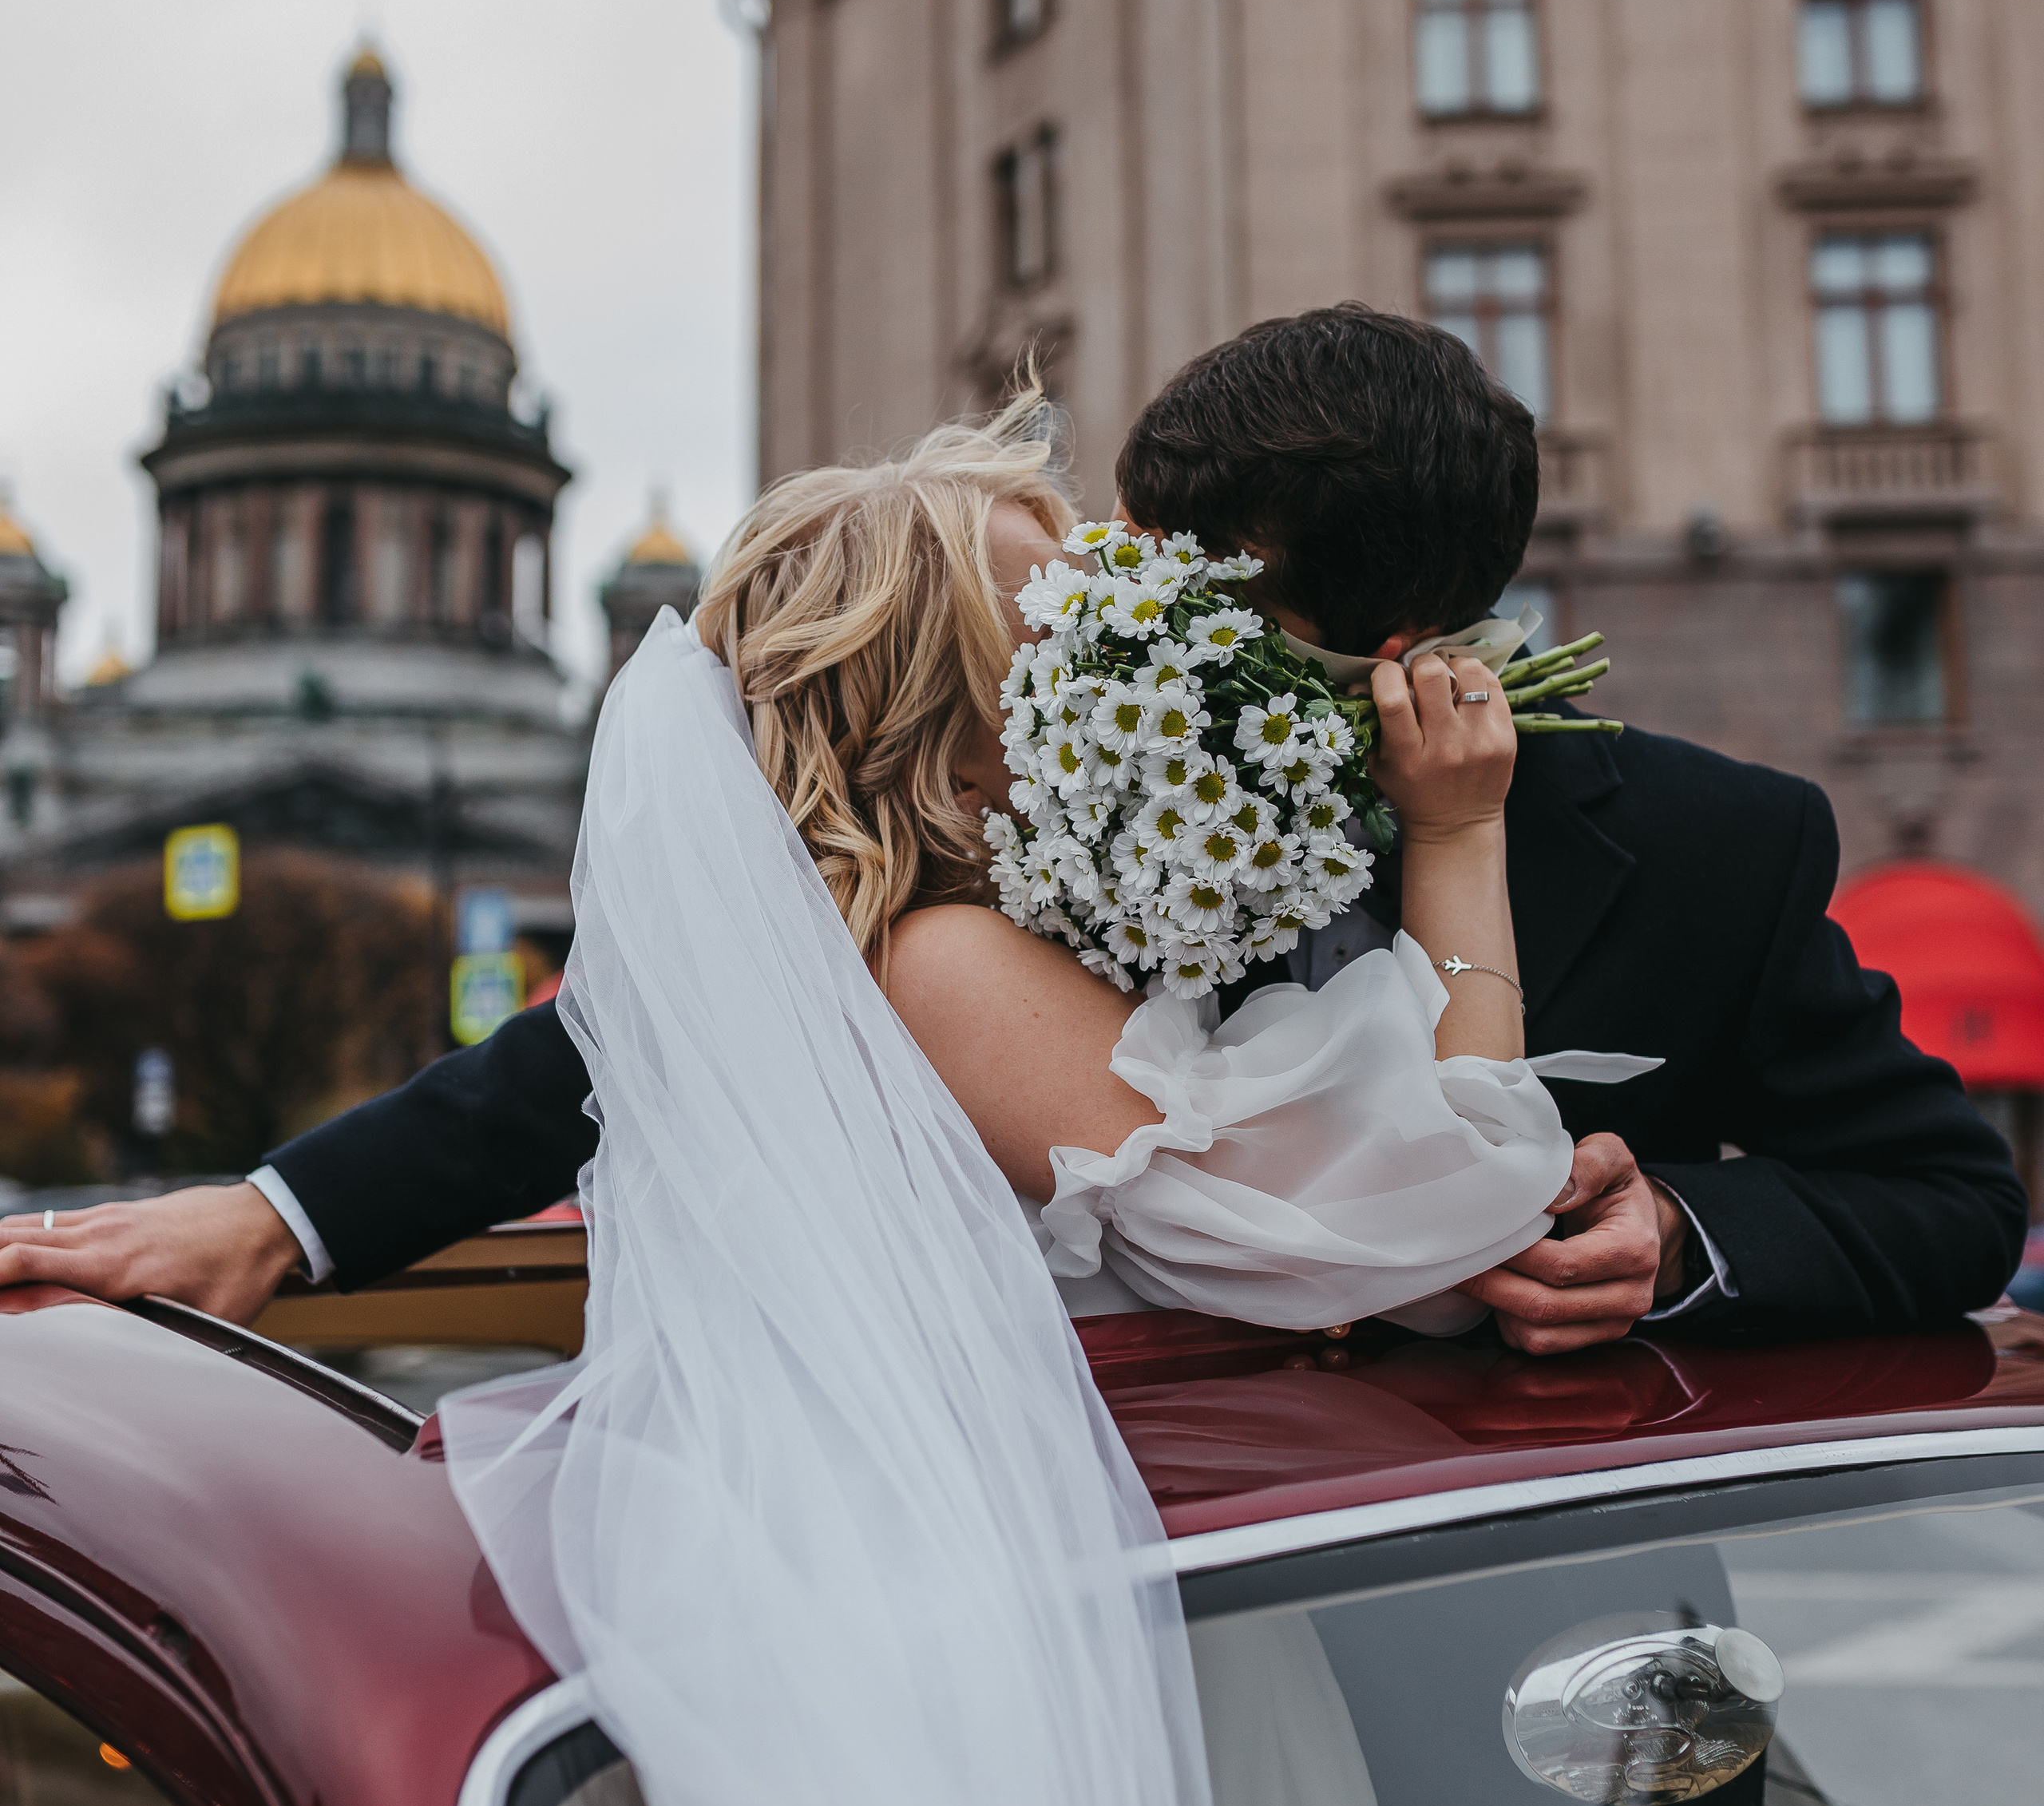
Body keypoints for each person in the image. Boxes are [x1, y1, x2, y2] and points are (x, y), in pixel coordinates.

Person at [426, 400, 1603, 1806]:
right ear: (955, 694)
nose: (1116, 645)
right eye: (1063, 618)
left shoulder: (871, 957)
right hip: (1091, 1688)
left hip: (1064, 1639)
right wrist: (1454, 841)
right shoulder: (936, 968)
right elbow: (1422, 1195)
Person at [2, 305, 2023, 1336]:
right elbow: (651, 1019)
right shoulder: (1029, 826)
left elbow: (1947, 1202)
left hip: (1543, 1627)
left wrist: (1681, 1237)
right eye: (1124, 566)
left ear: (1389, 632)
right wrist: (278, 1215)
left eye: (1181, 595)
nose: (1112, 630)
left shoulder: (1711, 845)